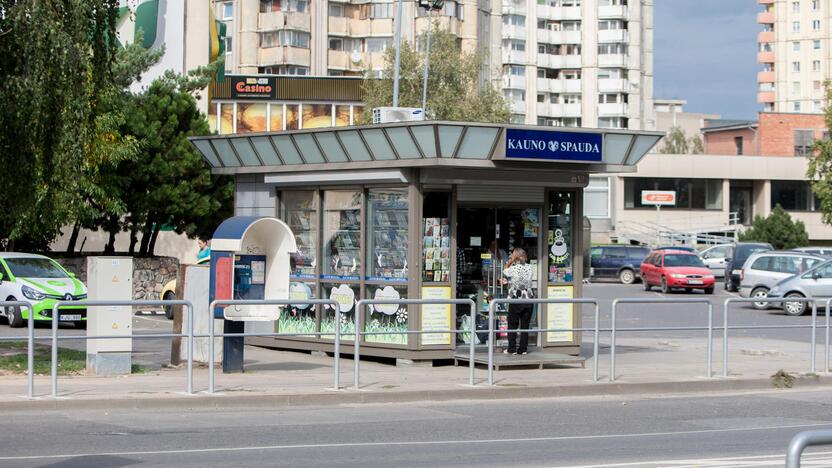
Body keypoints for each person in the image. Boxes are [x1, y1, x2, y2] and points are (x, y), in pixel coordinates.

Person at [501, 248, 534, 355]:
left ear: (515, 257)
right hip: (528, 299)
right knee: (525, 326)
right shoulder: (530, 267)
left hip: (516, 299)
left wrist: (511, 260)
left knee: (512, 325)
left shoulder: (514, 269)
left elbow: (504, 270)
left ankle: (511, 349)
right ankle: (523, 349)